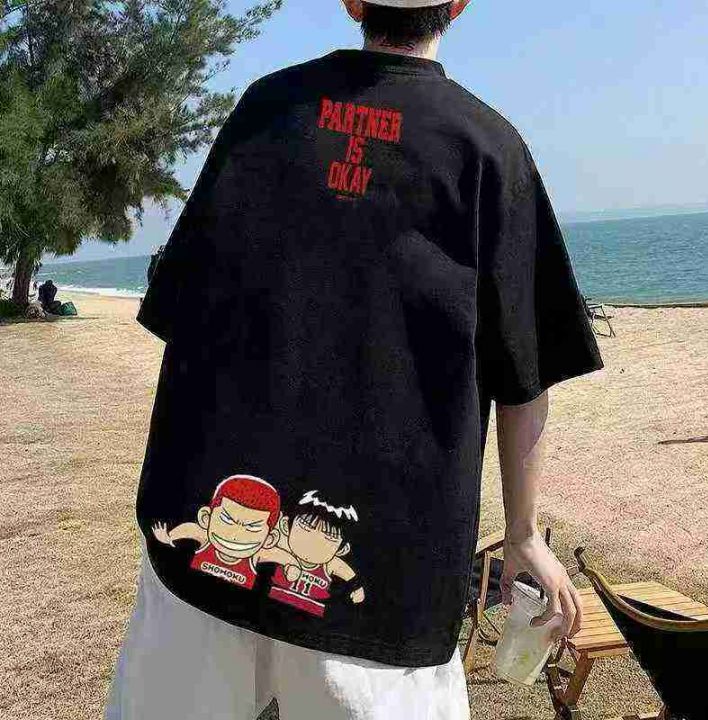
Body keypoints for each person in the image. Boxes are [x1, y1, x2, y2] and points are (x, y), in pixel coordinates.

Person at [105, 2, 604, 719]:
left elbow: (180, 307)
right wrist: (523, 533)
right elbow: (525, 375)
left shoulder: (266, 110)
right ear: (459, 6)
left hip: (209, 549)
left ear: (350, 3)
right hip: (385, 571)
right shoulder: (491, 150)